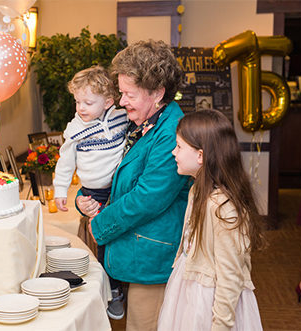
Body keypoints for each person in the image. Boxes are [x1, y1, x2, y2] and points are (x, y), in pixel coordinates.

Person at [77, 39, 190, 331]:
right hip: (135, 247)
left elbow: (148, 198)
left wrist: (101, 223)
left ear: (157, 93)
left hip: (153, 256)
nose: (122, 101)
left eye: (129, 94)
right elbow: (109, 168)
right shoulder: (143, 120)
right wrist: (85, 194)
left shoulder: (171, 131)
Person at [157, 110, 264, 330]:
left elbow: (230, 275)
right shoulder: (197, 189)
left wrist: (221, 325)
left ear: (200, 155)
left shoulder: (222, 207)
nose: (173, 152)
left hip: (210, 300)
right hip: (189, 287)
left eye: (179, 147)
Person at [52, 65, 129, 319]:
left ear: (108, 101)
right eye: (77, 102)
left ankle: (120, 282)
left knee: (121, 238)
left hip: (118, 190)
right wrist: (61, 190)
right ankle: (112, 289)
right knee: (102, 240)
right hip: (93, 192)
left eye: (87, 102)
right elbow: (65, 162)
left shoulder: (122, 117)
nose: (81, 108)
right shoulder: (75, 129)